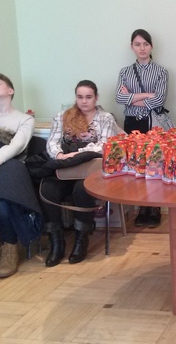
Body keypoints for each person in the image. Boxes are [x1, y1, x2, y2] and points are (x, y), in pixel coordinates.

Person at [40, 80, 119, 266]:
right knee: (47, 190)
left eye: (88, 97)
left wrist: (78, 154)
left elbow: (106, 145)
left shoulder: (105, 118)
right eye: (80, 97)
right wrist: (60, 155)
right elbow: (52, 142)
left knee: (82, 190)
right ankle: (56, 242)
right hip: (65, 167)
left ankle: (81, 240)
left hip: (90, 169)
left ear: (96, 97)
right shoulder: (63, 116)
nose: (84, 101)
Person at [0, 73, 42, 278]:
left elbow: (18, 144)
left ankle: (9, 246)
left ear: (10, 91)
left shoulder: (24, 119)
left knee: (0, 199)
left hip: (11, 165)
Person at [116, 28, 169, 227]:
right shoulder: (125, 72)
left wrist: (132, 98)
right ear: (132, 47)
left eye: (145, 44)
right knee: (136, 164)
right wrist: (147, 95)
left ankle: (154, 208)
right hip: (131, 122)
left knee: (154, 163)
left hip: (152, 122)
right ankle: (141, 207)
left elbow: (159, 100)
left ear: (151, 46)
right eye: (137, 44)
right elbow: (119, 97)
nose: (142, 48)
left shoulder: (161, 72)